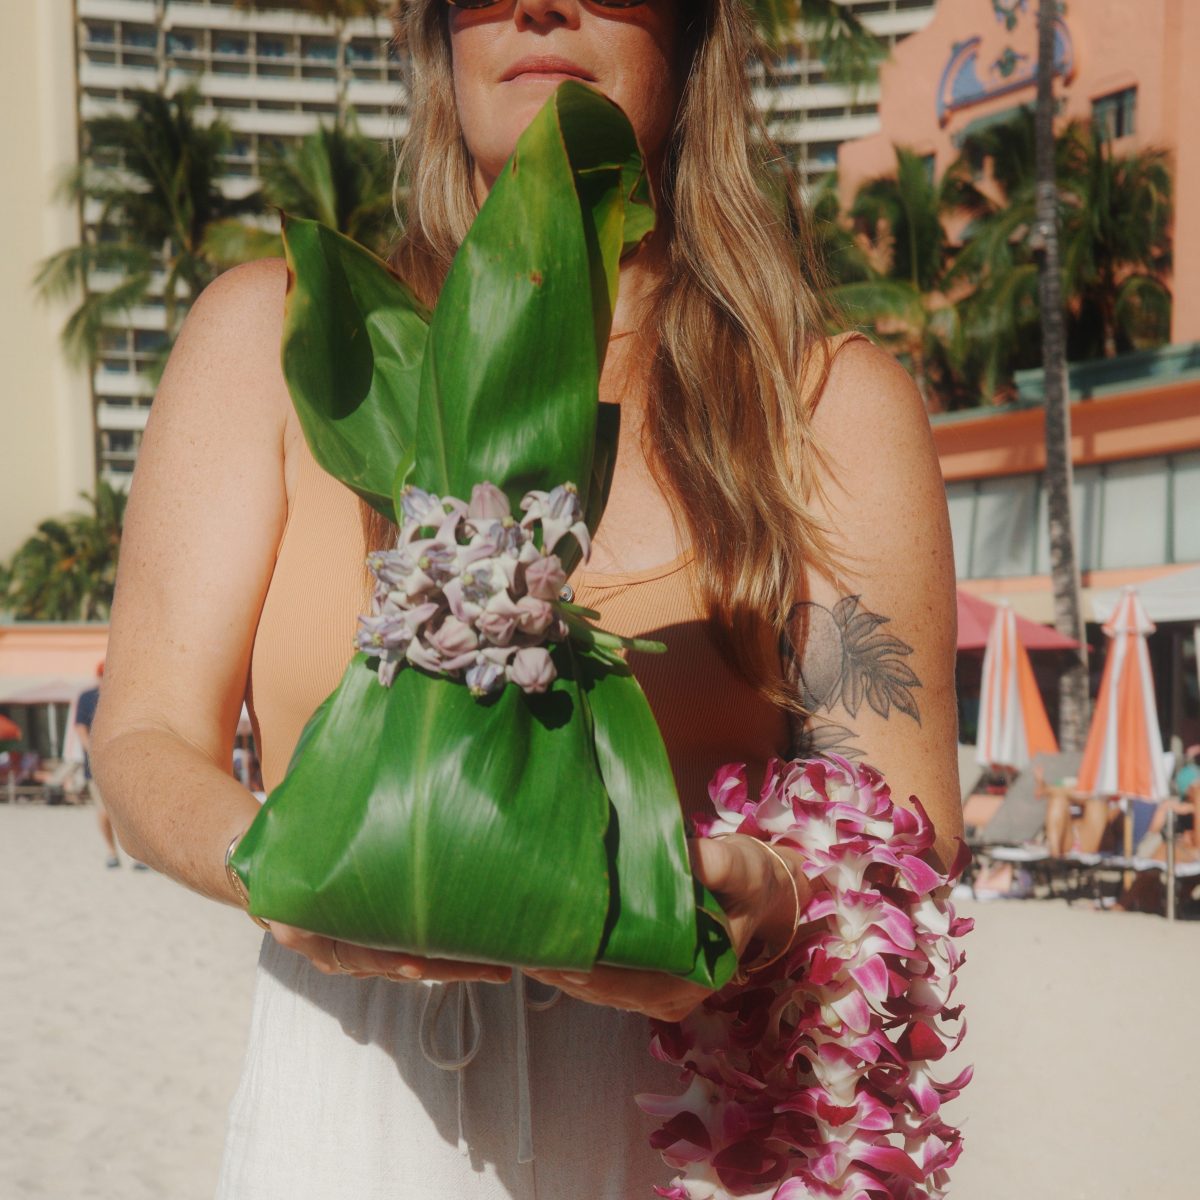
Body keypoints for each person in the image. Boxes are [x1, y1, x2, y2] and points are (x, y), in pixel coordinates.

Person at [91, 2, 962, 1196]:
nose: (537, 3)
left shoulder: (822, 406)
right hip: (349, 1108)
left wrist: (770, 897)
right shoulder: (287, 338)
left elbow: (903, 824)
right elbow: (142, 739)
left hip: (666, 1120)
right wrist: (279, 871)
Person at [75, 662, 148, 868]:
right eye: (102, 675)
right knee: (104, 812)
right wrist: (94, 752)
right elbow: (80, 728)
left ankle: (136, 856)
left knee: (129, 812)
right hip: (96, 767)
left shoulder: (123, 697)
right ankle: (111, 851)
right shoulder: (87, 698)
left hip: (123, 766)